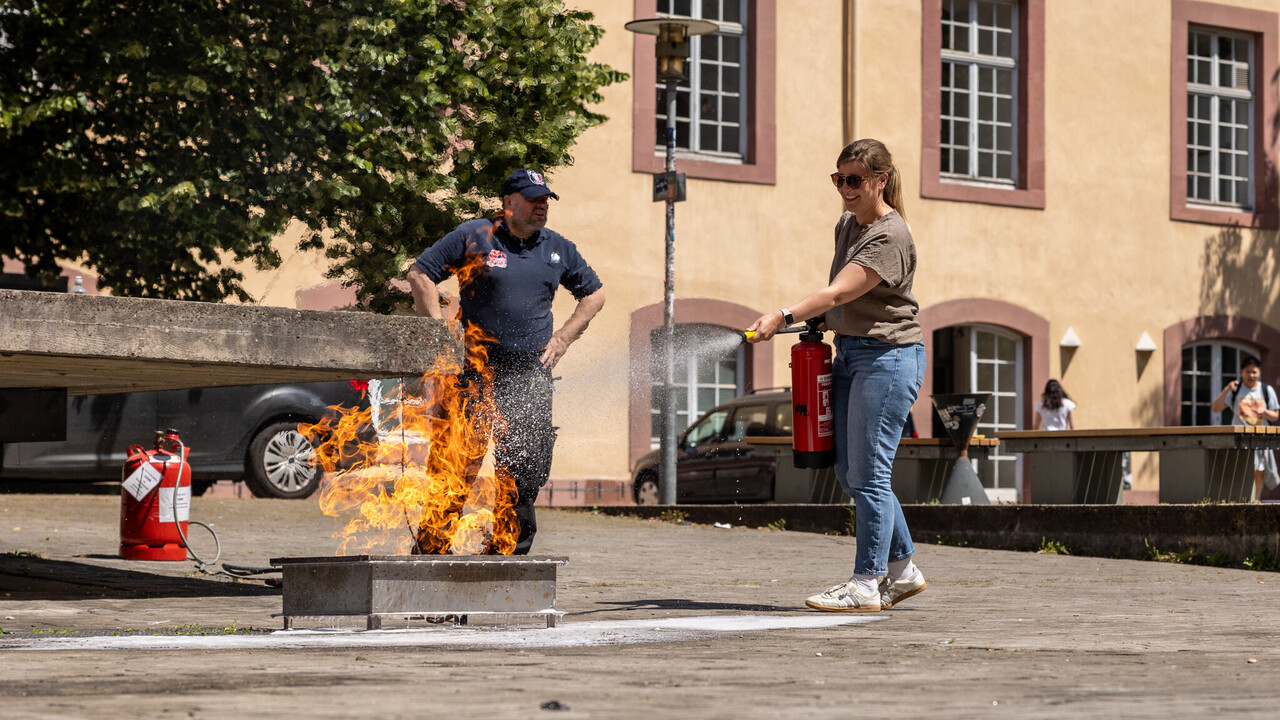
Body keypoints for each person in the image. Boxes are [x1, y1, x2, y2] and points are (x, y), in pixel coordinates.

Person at [746, 139, 925, 613]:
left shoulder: (891, 235)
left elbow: (838, 291)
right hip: (850, 355)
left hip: (887, 359)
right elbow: (848, 302)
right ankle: (903, 570)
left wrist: (784, 315)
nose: (845, 189)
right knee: (852, 473)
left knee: (869, 475)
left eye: (855, 180)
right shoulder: (849, 223)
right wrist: (828, 323)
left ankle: (866, 583)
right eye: (838, 179)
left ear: (880, 181)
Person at [407, 169, 605, 554]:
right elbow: (420, 274)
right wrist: (442, 334)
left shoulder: (558, 247)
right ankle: (431, 552)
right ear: (508, 203)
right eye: (533, 198)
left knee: (523, 469)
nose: (541, 205)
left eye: (545, 198)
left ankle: (507, 553)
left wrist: (563, 339)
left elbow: (594, 295)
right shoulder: (475, 235)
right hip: (474, 370)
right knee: (455, 463)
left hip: (530, 373)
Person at [1210, 355, 1280, 500]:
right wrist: (1226, 390)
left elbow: (1275, 416)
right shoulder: (1236, 391)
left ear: (1259, 372)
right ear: (1242, 372)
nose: (1251, 375)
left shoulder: (1266, 390)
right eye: (1248, 371)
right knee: (1241, 471)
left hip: (1260, 439)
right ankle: (1241, 500)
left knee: (1257, 471)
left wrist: (1264, 412)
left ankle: (1254, 500)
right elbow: (1215, 408)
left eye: (1254, 372)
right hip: (1239, 439)